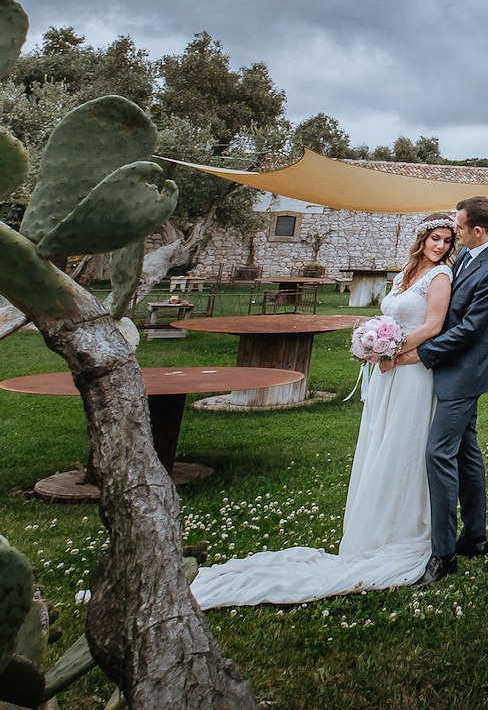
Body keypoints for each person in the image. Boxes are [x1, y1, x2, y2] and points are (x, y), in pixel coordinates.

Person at [188, 219, 456, 609]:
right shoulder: (405, 273)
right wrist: (374, 341)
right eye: (435, 238)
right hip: (387, 372)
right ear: (422, 239)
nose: (440, 245)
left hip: (412, 372)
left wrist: (391, 350)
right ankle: (373, 522)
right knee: (380, 439)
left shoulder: (441, 276)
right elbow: (391, 316)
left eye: (447, 241)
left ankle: (401, 526)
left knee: (403, 442)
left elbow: (433, 326)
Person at [411, 194, 488, 587]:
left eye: (460, 226)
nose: (454, 231)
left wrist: (423, 352)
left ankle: (443, 554)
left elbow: (471, 329)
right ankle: (475, 537)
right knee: (467, 452)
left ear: (479, 231)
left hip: (465, 375)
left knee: (438, 453)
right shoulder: (467, 256)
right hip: (453, 369)